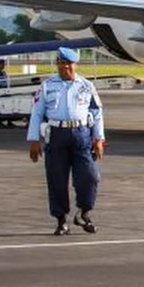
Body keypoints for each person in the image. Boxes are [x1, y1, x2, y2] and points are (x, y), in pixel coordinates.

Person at [26, 47, 106, 236]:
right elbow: (37, 113)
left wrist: (99, 138)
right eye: (61, 63)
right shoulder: (47, 86)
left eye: (68, 63)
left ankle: (83, 212)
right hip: (56, 135)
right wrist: (34, 140)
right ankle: (61, 220)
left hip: (81, 134)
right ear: (57, 64)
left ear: (75, 64)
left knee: (90, 176)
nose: (65, 67)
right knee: (57, 179)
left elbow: (97, 112)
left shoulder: (86, 85)